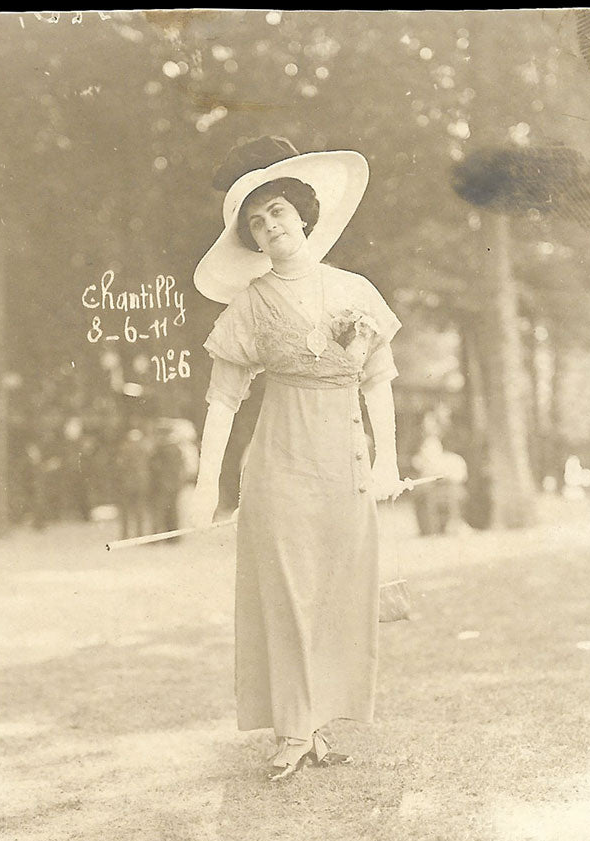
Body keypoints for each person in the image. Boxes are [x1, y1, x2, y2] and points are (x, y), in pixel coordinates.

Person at [190, 136, 405, 780]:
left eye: (277, 210)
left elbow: (380, 383)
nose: (269, 225)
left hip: (345, 459)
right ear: (252, 239)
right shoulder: (251, 303)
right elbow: (223, 402)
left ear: (303, 215)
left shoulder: (355, 290)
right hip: (279, 459)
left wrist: (389, 462)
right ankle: (291, 730)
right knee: (284, 590)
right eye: (256, 222)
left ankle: (321, 725)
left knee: (339, 588)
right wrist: (207, 486)